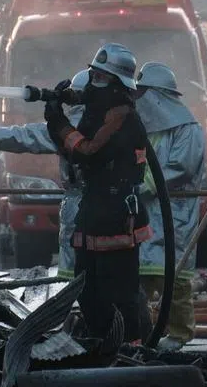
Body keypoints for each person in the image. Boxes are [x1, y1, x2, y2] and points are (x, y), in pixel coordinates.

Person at [44, 43, 152, 348]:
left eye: (102, 79)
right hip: (94, 212)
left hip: (118, 215)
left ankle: (131, 350)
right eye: (93, 76)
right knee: (88, 289)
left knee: (119, 290)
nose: (94, 84)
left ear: (118, 83)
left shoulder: (122, 117)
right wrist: (64, 100)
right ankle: (99, 343)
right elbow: (82, 129)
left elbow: (88, 152)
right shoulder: (101, 111)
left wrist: (57, 122)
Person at [0, 69, 90, 280]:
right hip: (107, 205)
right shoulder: (118, 122)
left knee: (72, 275)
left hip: (80, 204)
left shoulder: (70, 128)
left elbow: (23, 136)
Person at [134, 61, 206, 352]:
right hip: (145, 213)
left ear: (157, 95)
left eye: (142, 93)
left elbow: (182, 168)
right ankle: (140, 331)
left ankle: (177, 333)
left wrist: (147, 186)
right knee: (140, 274)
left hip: (173, 213)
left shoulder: (187, 129)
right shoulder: (146, 129)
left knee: (173, 278)